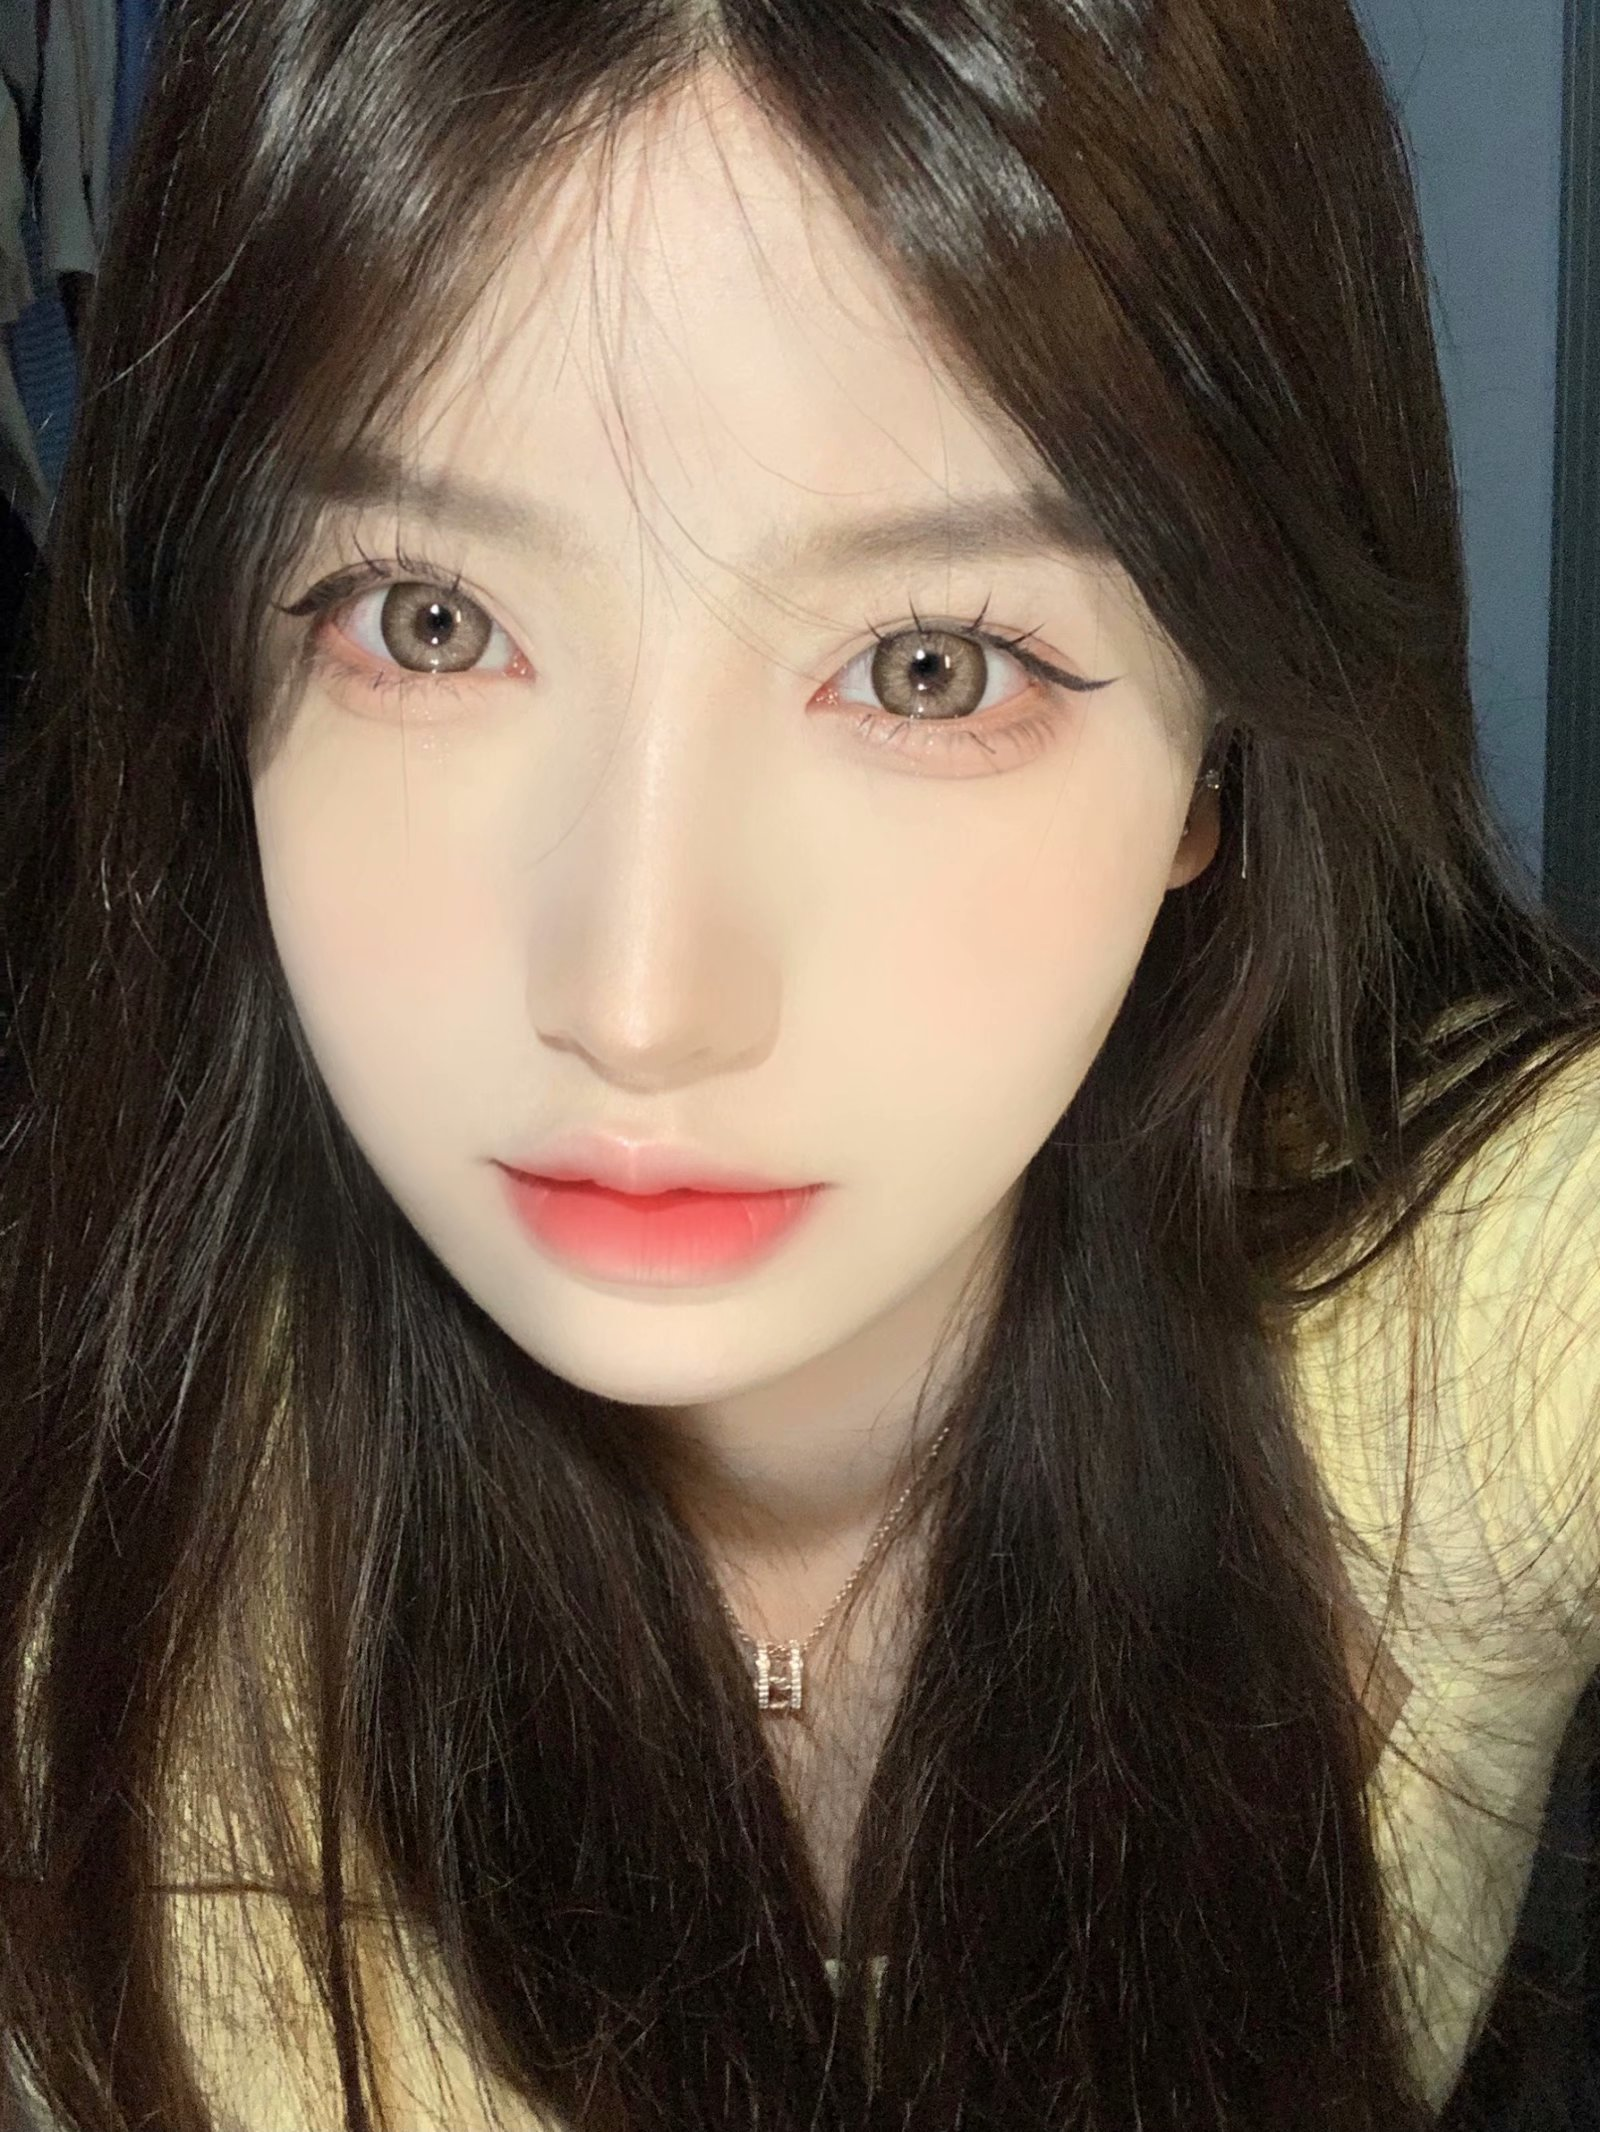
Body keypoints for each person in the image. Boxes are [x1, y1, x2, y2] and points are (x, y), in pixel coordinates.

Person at [2, 0, 1599, 2125]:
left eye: (929, 667)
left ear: (1220, 742)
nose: (639, 997)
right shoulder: (88, 1536)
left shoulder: (1470, 1331)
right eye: (425, 620)